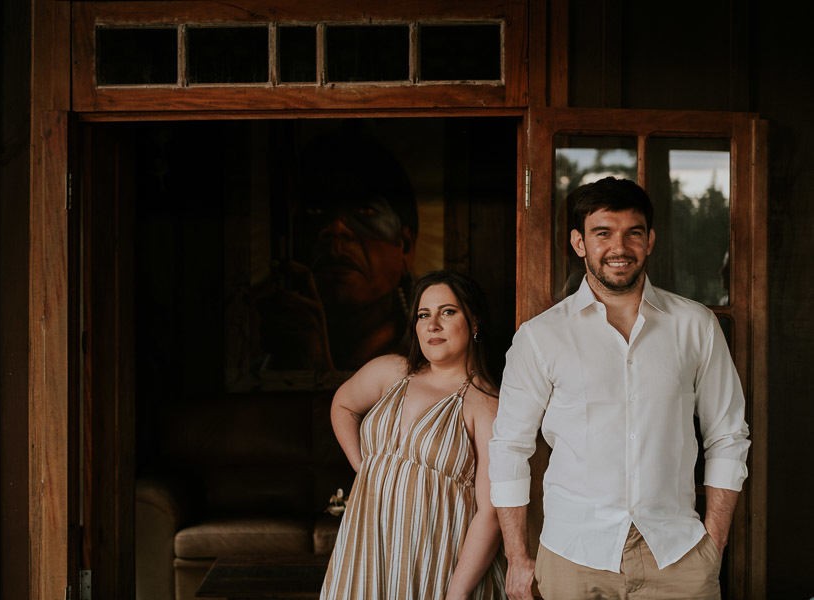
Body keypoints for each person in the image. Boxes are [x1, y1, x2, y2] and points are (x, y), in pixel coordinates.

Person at [489, 177, 750, 600]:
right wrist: (517, 557)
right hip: (573, 556)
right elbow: (509, 448)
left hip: (678, 555)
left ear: (650, 241)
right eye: (603, 233)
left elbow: (728, 434)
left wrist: (714, 542)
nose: (620, 247)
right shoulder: (540, 337)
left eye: (633, 233)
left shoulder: (695, 325)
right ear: (579, 243)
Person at [322, 270, 506, 599]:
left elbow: (490, 513)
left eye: (447, 312)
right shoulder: (391, 372)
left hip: (435, 560)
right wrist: (363, 468)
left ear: (474, 322)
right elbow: (343, 406)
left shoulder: (485, 405)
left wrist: (457, 592)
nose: (432, 325)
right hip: (368, 546)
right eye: (423, 315)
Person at [256, 128, 418, 372]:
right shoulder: (260, 371)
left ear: (405, 246)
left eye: (364, 211)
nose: (335, 228)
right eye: (315, 211)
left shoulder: (430, 366)